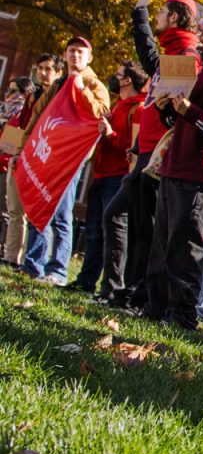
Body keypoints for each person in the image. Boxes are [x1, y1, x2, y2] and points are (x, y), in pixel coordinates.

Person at [143, 9, 203, 330]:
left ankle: (183, 314)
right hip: (175, 163)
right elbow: (179, 119)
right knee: (163, 241)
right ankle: (155, 307)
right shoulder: (196, 69)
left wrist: (189, 110)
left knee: (187, 246)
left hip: (202, 172)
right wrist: (167, 110)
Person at [125, 0, 201, 310]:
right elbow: (149, 57)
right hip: (146, 148)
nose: (157, 18)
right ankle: (135, 292)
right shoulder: (171, 54)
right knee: (139, 223)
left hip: (161, 152)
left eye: (159, 13)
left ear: (173, 17)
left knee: (149, 227)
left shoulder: (188, 56)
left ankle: (146, 296)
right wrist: (139, 16)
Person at [21, 37, 109, 285]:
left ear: (89, 57)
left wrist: (81, 90)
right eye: (71, 51)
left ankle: (58, 270)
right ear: (66, 54)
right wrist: (22, 149)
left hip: (70, 160)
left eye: (81, 52)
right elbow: (37, 117)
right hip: (46, 154)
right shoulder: (58, 84)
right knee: (39, 206)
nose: (75, 56)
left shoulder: (94, 85)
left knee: (61, 214)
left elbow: (102, 115)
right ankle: (33, 264)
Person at [67, 61, 147, 295]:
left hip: (118, 177)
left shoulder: (138, 109)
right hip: (101, 175)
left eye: (118, 74)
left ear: (127, 80)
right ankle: (86, 281)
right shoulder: (118, 107)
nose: (114, 77)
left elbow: (134, 147)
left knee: (113, 232)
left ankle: (110, 288)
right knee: (94, 232)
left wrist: (110, 133)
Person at [3, 55, 62, 266]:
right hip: (21, 157)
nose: (43, 73)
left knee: (37, 215)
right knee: (14, 211)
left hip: (43, 160)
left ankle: (35, 262)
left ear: (58, 73)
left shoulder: (60, 98)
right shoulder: (32, 97)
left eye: (48, 69)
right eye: (40, 68)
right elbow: (24, 126)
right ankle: (11, 258)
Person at [0, 76, 35, 259]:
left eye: (14, 91)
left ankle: (7, 253)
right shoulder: (5, 113)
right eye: (8, 90)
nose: (9, 95)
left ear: (25, 94)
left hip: (9, 167)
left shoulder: (25, 115)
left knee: (7, 212)